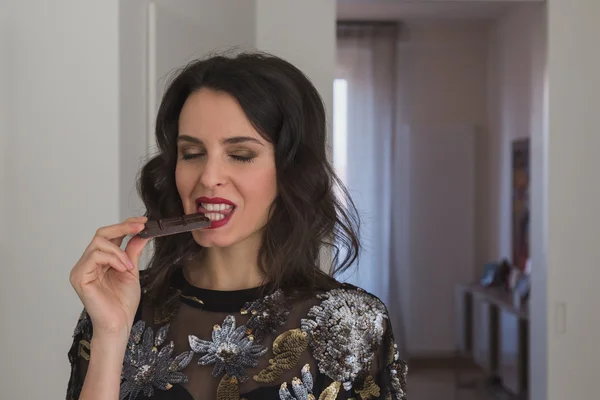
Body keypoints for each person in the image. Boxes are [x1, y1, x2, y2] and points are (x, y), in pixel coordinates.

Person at [66, 51, 407, 400]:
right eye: (192, 154)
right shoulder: (119, 306)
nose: (209, 178)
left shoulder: (355, 324)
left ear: (291, 170)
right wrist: (110, 334)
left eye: (241, 155)